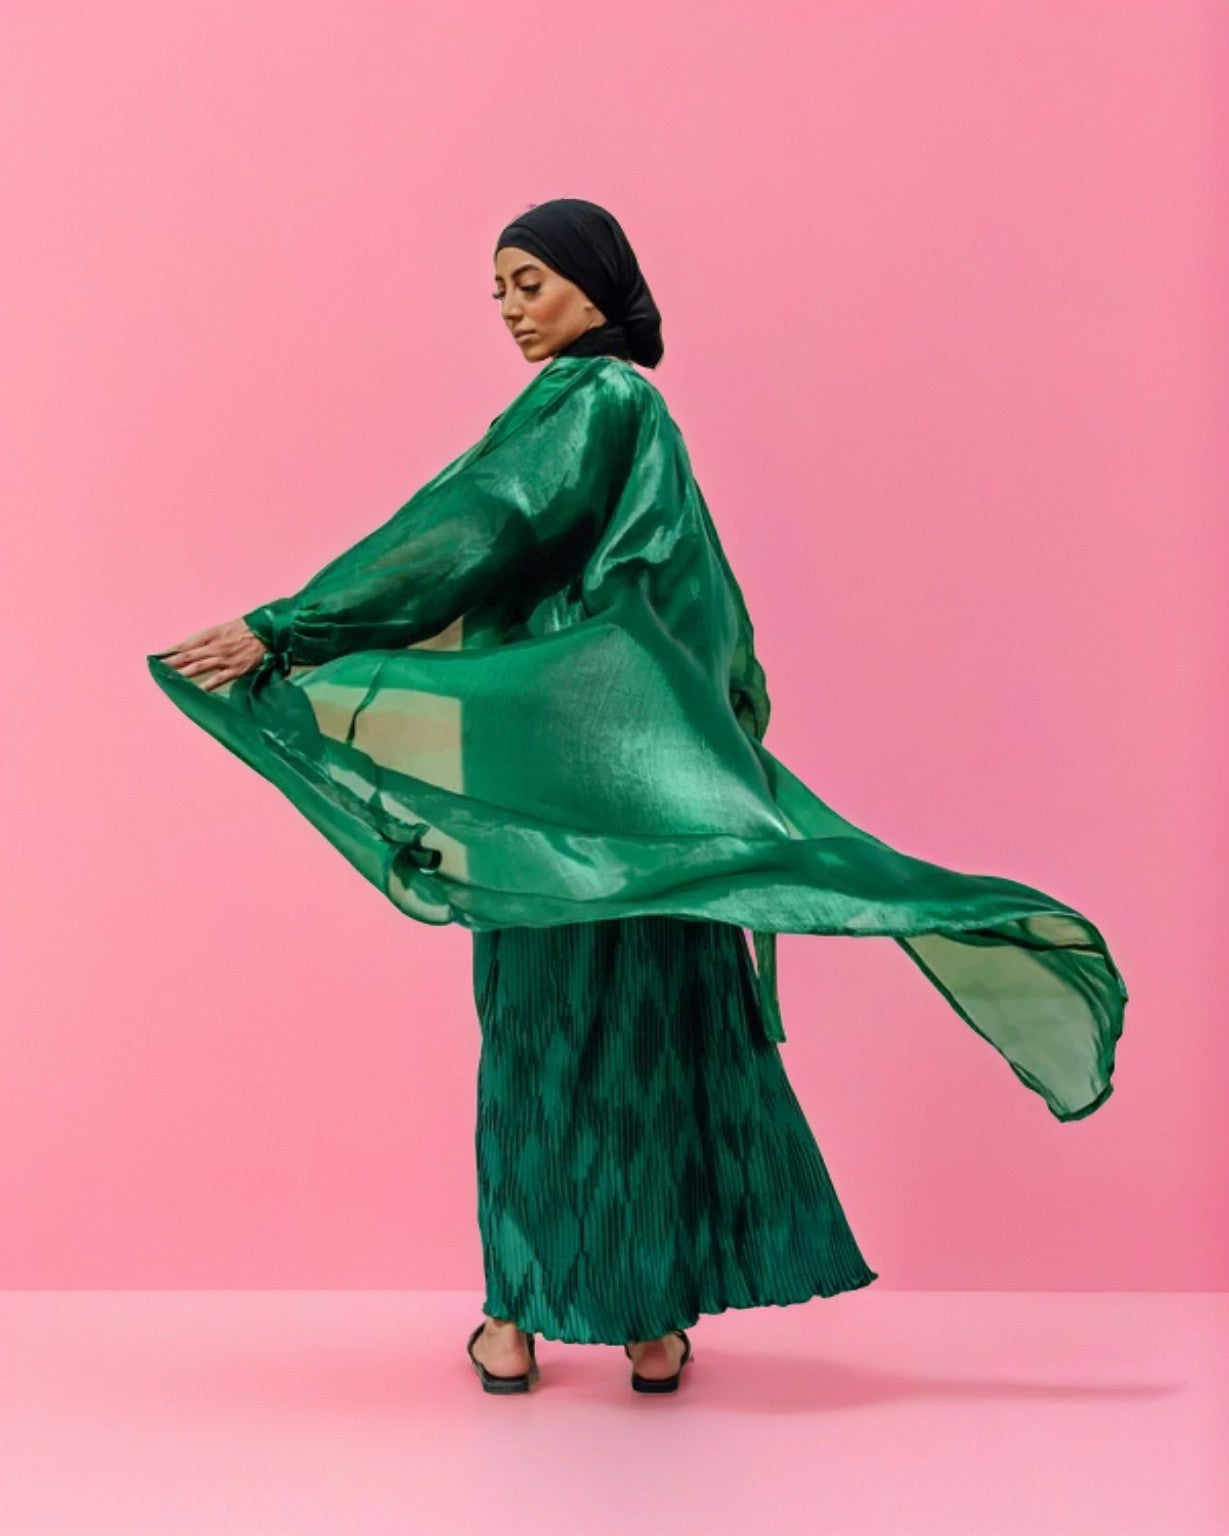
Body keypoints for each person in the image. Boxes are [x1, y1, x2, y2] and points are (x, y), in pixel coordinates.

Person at [148, 197, 1128, 1397]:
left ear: (597, 281)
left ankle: (512, 1318)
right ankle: (650, 1327)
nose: (511, 311)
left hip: (558, 788)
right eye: (498, 292)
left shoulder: (592, 398)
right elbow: (714, 623)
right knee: (651, 1033)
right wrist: (711, 752)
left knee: (540, 1036)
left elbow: (479, 526)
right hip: (649, 791)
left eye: (530, 282)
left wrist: (290, 627)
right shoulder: (639, 420)